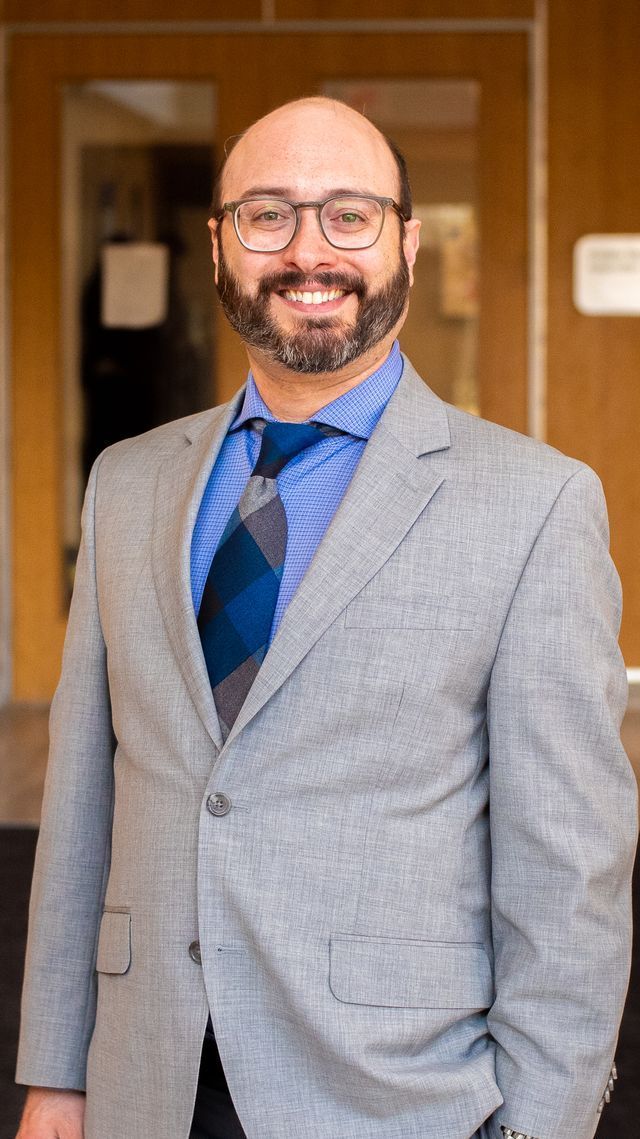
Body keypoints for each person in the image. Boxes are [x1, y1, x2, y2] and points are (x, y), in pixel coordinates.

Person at [15, 97, 637, 1139]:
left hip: (395, 1096)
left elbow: (569, 866)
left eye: (349, 214)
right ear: (219, 244)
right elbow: (82, 801)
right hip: (142, 1080)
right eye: (267, 214)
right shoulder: (126, 482)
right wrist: (55, 1070)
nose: (309, 252)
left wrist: (540, 1123)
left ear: (407, 241)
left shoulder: (535, 503)